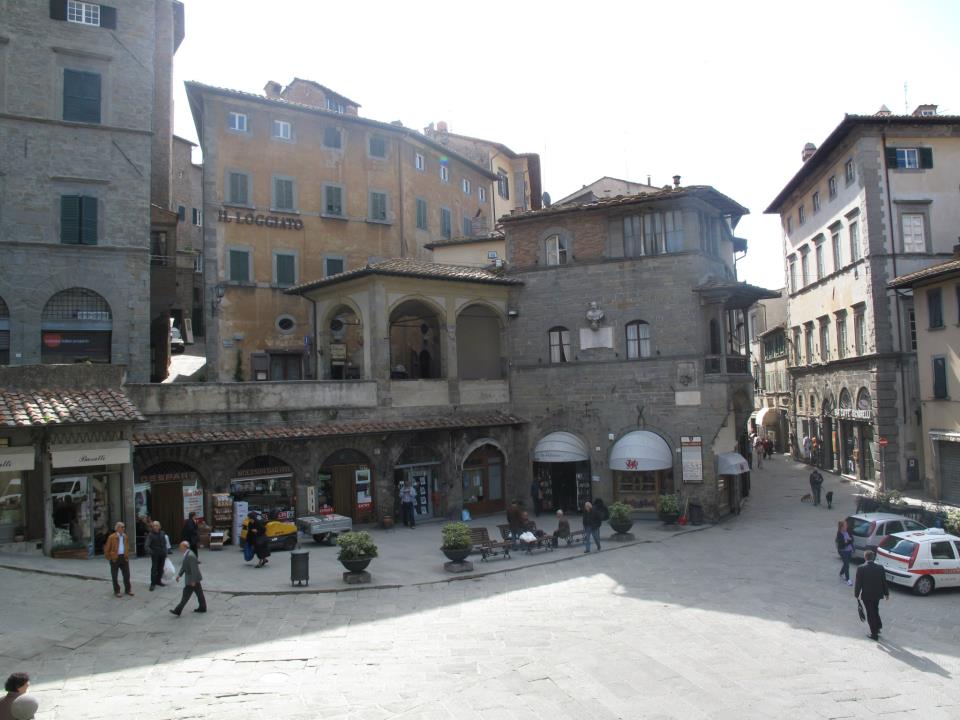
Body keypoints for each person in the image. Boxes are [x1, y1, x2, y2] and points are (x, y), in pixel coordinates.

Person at [854, 550, 889, 640]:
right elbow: (883, 581)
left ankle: (874, 633)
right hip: (877, 594)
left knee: (870, 613)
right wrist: (886, 593)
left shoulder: (861, 568)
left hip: (867, 595)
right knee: (875, 610)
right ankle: (878, 627)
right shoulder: (880, 567)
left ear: (865, 557)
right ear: (873, 558)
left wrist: (856, 594)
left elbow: (858, 583)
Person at [170, 540, 206, 616]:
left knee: (186, 594)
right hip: (194, 579)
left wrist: (193, 580)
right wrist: (179, 575)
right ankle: (203, 607)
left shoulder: (190, 556)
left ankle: (178, 610)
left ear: (185, 547)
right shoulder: (187, 554)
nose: (179, 548)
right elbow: (184, 566)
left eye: (180, 546)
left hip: (191, 579)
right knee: (199, 593)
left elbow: (194, 569)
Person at [104, 521, 134, 598]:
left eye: (124, 527)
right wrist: (110, 558)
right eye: (122, 527)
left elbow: (127, 546)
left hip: (124, 557)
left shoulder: (125, 536)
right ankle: (117, 591)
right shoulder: (112, 537)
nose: (124, 528)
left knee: (127, 575)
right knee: (114, 576)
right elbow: (107, 549)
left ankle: (128, 590)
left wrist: (127, 555)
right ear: (117, 528)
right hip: (115, 558)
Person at [147, 520, 168, 591]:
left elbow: (165, 543)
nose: (155, 527)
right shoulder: (150, 535)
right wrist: (151, 552)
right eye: (154, 526)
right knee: (154, 569)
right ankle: (153, 583)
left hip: (162, 554)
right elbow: (146, 545)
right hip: (155, 555)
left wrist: (166, 552)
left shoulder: (162, 533)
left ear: (160, 527)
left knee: (160, 568)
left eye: (156, 525)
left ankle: (158, 581)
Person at [835, 519, 854, 586]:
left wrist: (847, 541)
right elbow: (843, 544)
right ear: (841, 527)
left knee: (846, 563)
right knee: (847, 564)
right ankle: (848, 579)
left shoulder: (848, 531)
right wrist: (848, 540)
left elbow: (852, 539)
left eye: (846, 525)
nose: (846, 526)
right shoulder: (839, 534)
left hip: (849, 550)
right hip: (842, 551)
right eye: (845, 525)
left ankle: (841, 573)